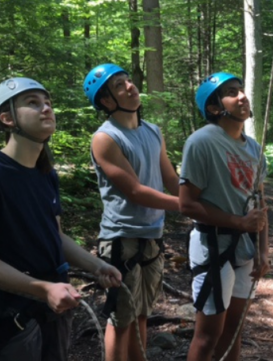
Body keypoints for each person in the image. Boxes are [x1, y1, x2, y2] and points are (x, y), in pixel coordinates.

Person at [0, 77, 122, 361]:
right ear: (7, 118)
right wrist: (42, 288)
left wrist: (96, 265)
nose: (46, 108)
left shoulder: (45, 173)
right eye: (33, 103)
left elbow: (54, 236)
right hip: (13, 312)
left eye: (48, 102)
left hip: (55, 304)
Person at [83, 64, 179, 361]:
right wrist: (186, 206)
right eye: (119, 85)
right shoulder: (105, 138)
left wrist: (202, 200)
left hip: (153, 236)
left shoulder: (152, 131)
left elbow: (171, 179)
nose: (130, 86)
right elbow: (135, 191)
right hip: (121, 239)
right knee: (121, 319)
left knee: (141, 315)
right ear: (107, 102)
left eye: (128, 80)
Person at [180, 72, 270, 361]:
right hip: (212, 245)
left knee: (234, 330)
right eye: (231, 92)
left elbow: (260, 202)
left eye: (241, 89)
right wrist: (239, 223)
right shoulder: (201, 142)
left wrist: (263, 249)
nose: (242, 95)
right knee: (208, 336)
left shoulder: (254, 148)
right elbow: (187, 204)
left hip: (245, 248)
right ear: (215, 107)